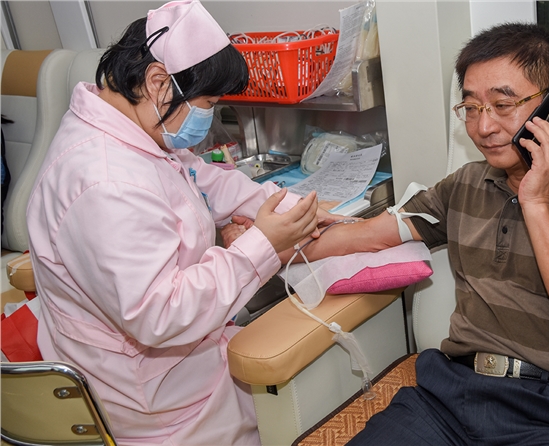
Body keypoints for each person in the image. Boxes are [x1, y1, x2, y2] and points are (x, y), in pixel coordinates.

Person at [281, 23, 549, 445]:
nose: (483, 127)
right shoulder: (465, 184)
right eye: (472, 108)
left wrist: (536, 204)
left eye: (503, 105)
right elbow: (365, 236)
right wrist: (268, 245)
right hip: (448, 400)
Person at [25, 1, 341, 444]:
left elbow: (201, 179)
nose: (207, 117)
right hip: (153, 400)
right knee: (298, 404)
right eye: (208, 103)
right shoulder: (105, 182)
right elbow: (159, 314)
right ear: (158, 82)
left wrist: (287, 206)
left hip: (177, 359)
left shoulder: (135, 129)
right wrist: (262, 244)